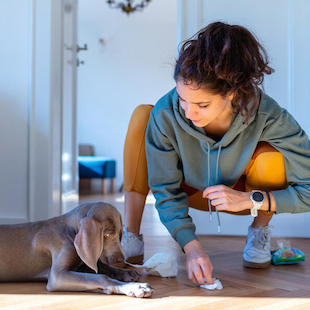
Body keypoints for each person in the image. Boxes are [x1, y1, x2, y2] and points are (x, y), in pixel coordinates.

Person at [121, 21, 310, 286]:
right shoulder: (166, 113)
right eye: (182, 99)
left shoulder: (268, 115)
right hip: (188, 188)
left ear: (232, 93)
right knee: (144, 115)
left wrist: (250, 199)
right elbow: (164, 190)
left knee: (272, 155)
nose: (188, 113)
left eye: (202, 104)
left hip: (239, 196)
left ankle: (259, 234)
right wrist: (191, 246)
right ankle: (131, 236)